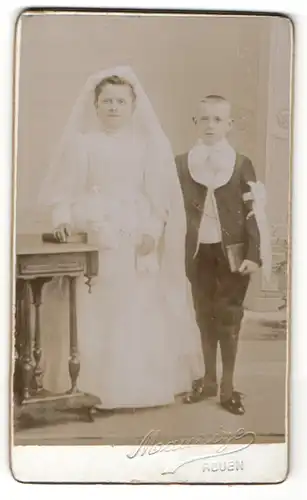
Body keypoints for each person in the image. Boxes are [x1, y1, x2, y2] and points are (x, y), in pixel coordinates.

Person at [37, 66, 205, 410]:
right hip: (93, 232)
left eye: (120, 101)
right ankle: (87, 383)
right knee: (91, 306)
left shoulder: (146, 146)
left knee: (135, 307)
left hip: (133, 233)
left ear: (133, 106)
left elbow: (158, 197)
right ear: (95, 106)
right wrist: (63, 220)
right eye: (107, 101)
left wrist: (151, 231)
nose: (113, 107)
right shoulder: (82, 144)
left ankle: (133, 387)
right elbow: (64, 192)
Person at [175, 95, 271, 415]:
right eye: (204, 119)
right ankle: (208, 380)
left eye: (218, 120)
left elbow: (253, 212)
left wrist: (254, 254)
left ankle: (228, 387)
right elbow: (171, 212)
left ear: (229, 124)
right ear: (194, 123)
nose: (211, 125)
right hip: (197, 252)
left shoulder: (241, 163)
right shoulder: (181, 164)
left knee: (228, 318)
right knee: (203, 316)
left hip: (233, 253)